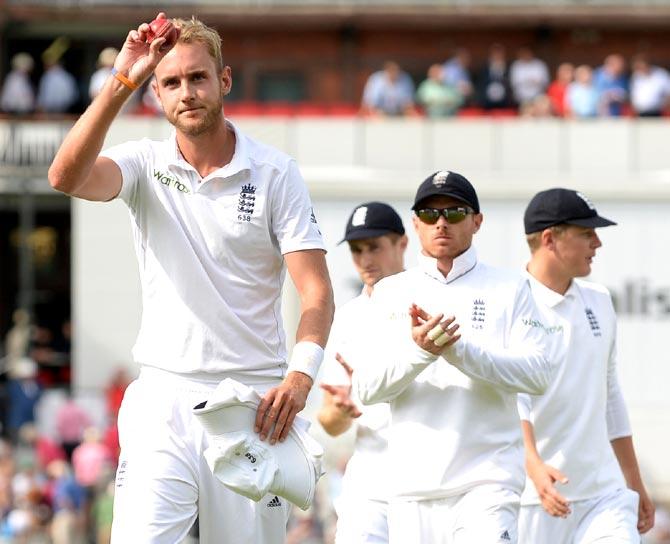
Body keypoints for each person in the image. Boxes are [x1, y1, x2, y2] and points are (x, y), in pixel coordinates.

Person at [48, 13, 334, 544]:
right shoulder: (142, 163)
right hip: (163, 398)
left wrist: (299, 379)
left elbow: (315, 291)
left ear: (223, 82)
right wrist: (123, 80)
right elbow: (64, 177)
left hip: (252, 406)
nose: (187, 93)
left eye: (198, 78)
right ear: (156, 95)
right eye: (171, 83)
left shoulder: (276, 173)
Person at [353, 170, 558, 543]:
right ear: (415, 224)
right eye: (430, 215)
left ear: (477, 221)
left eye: (455, 212)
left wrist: (457, 351)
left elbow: (538, 374)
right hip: (410, 488)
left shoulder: (511, 287)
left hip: (488, 481)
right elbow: (367, 389)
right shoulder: (389, 292)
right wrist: (421, 351)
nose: (442, 222)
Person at [518, 188, 656, 543]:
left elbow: (610, 394)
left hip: (603, 495)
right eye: (586, 234)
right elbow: (507, 399)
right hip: (534, 500)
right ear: (550, 238)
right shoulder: (510, 303)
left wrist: (633, 481)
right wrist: (532, 465)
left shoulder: (600, 300)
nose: (597, 243)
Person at [317, 202, 408, 543]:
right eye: (357, 250)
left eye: (374, 247)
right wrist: (340, 411)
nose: (365, 260)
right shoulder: (348, 318)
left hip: (429, 478)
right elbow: (329, 419)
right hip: (369, 477)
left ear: (402, 244)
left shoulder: (432, 301)